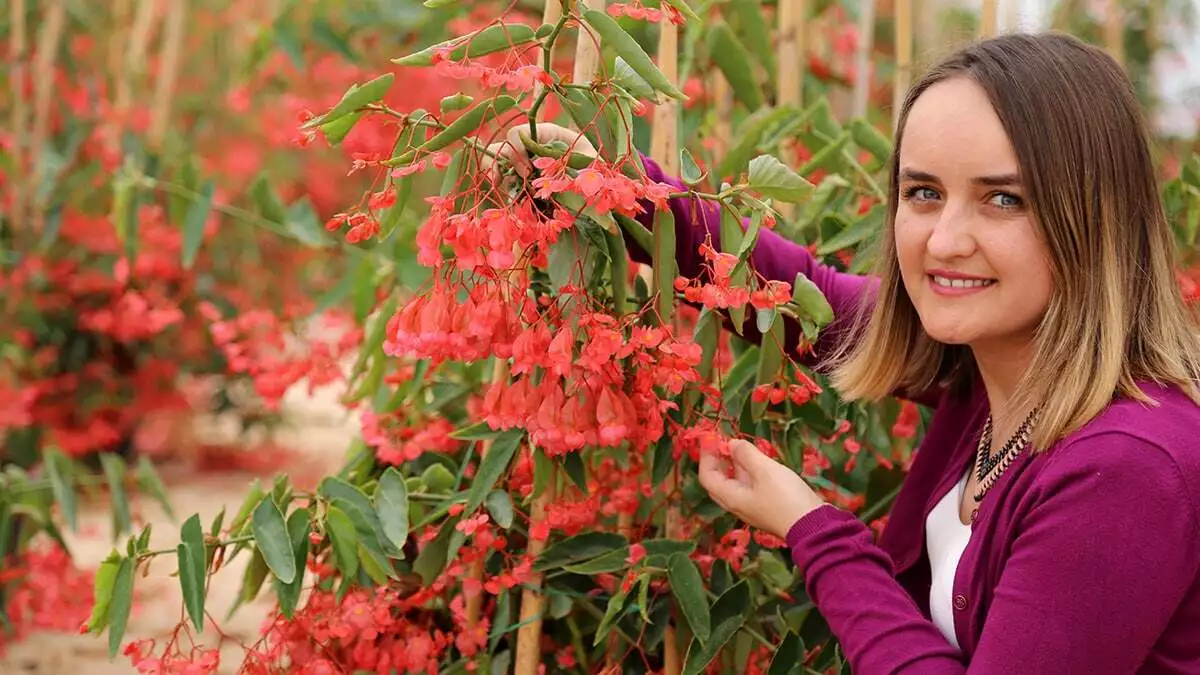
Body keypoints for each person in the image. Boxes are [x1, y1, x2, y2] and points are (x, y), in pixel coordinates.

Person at [490, 32, 1200, 673]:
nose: (944, 240)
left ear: (1092, 217)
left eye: (1003, 200)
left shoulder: (1129, 467)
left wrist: (814, 530)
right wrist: (611, 186)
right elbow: (803, 302)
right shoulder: (1000, 365)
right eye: (923, 191)